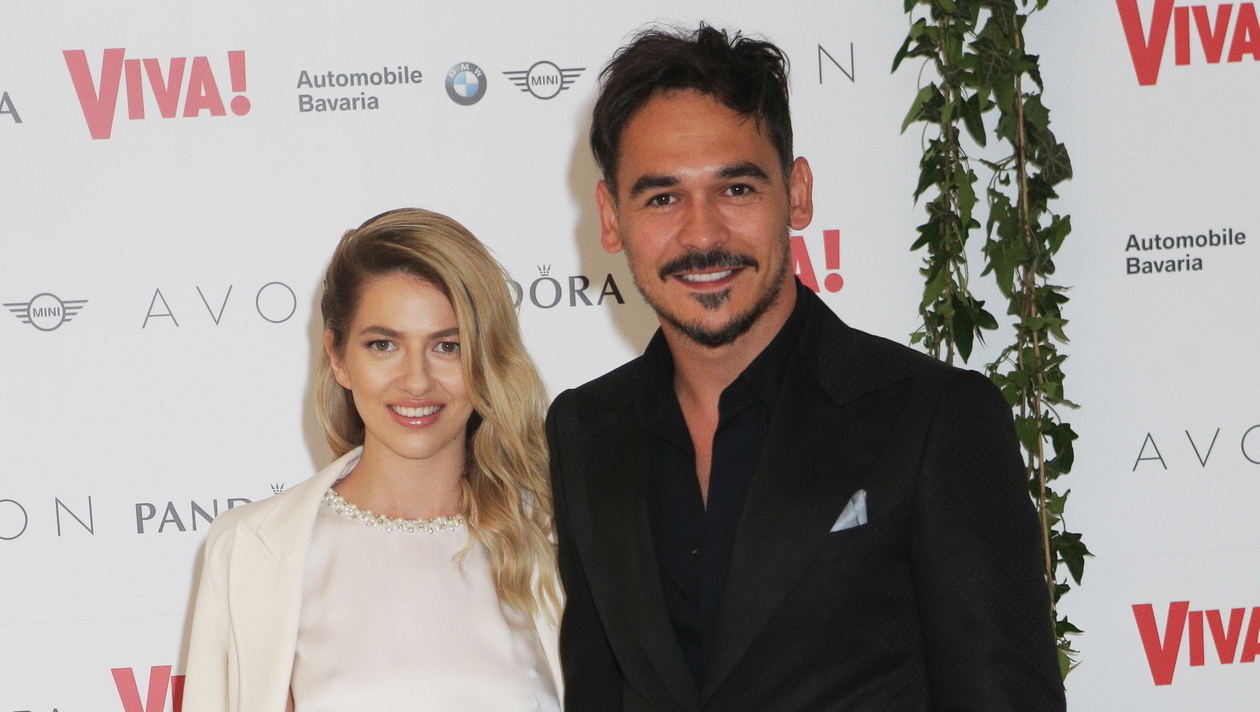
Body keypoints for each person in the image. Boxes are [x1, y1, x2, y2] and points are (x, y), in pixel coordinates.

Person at [546, 25, 1065, 711]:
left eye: (736, 188)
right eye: (662, 197)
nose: (703, 234)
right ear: (611, 217)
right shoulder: (585, 432)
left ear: (796, 193)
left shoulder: (933, 420)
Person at [183, 209, 562, 711]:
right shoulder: (253, 550)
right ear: (338, 356)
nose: (417, 381)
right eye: (383, 345)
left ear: (486, 358)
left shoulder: (556, 538)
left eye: (447, 346)